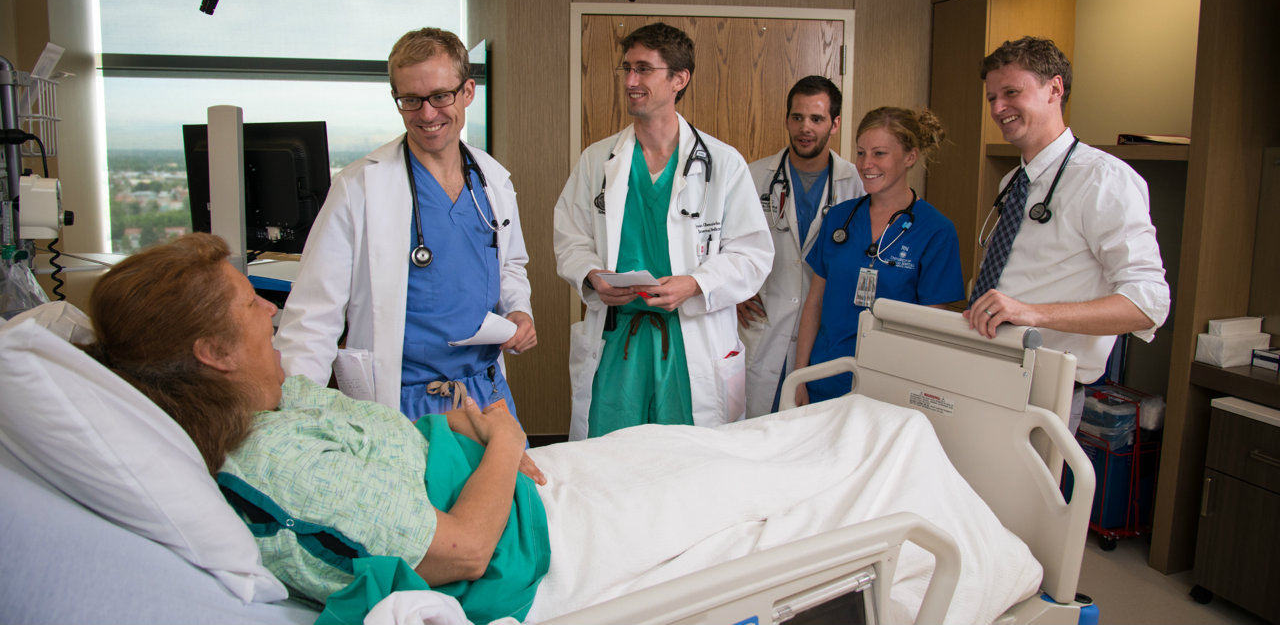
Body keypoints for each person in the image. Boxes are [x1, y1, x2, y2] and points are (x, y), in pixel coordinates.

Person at [79, 233, 1036, 625]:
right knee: (779, 468)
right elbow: (454, 550)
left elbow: (403, 475)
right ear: (207, 352)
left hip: (527, 485)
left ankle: (899, 447)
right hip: (542, 540)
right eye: (250, 303)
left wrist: (465, 440)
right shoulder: (272, 456)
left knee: (726, 446)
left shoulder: (271, 403)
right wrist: (499, 443)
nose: (267, 312)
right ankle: (959, 515)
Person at [274, 27, 536, 421]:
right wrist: (293, 419)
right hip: (403, 405)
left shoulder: (492, 180)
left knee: (515, 484)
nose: (427, 114)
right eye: (410, 100)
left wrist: (519, 311)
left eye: (440, 96)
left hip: (488, 394)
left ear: (467, 92)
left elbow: (510, 264)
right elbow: (313, 317)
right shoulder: (359, 187)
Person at [553, 22, 773, 439]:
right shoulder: (597, 160)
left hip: (692, 339)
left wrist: (694, 283)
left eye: (644, 69)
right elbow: (571, 236)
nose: (631, 81)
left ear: (679, 79)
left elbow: (753, 254)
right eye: (627, 69)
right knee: (609, 462)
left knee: (689, 467)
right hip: (619, 342)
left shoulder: (723, 164)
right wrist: (591, 275)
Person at [965, 36, 1170, 432]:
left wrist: (1032, 314)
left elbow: (1148, 304)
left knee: (1019, 496)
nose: (998, 108)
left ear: (1054, 89)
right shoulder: (1014, 180)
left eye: (1011, 93)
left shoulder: (1103, 180)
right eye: (992, 98)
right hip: (989, 369)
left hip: (1042, 386)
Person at [792, 107, 964, 406]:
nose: (866, 164)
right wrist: (799, 375)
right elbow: (814, 303)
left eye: (880, 153)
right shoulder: (840, 219)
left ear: (910, 156)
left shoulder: (936, 231)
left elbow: (932, 330)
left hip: (890, 389)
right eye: (860, 153)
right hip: (824, 376)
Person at [736, 76, 864, 417]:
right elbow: (721, 245)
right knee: (751, 439)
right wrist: (732, 289)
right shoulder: (753, 176)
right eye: (797, 117)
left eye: (817, 119)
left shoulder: (857, 184)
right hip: (763, 330)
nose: (804, 128)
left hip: (824, 338)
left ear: (835, 124)